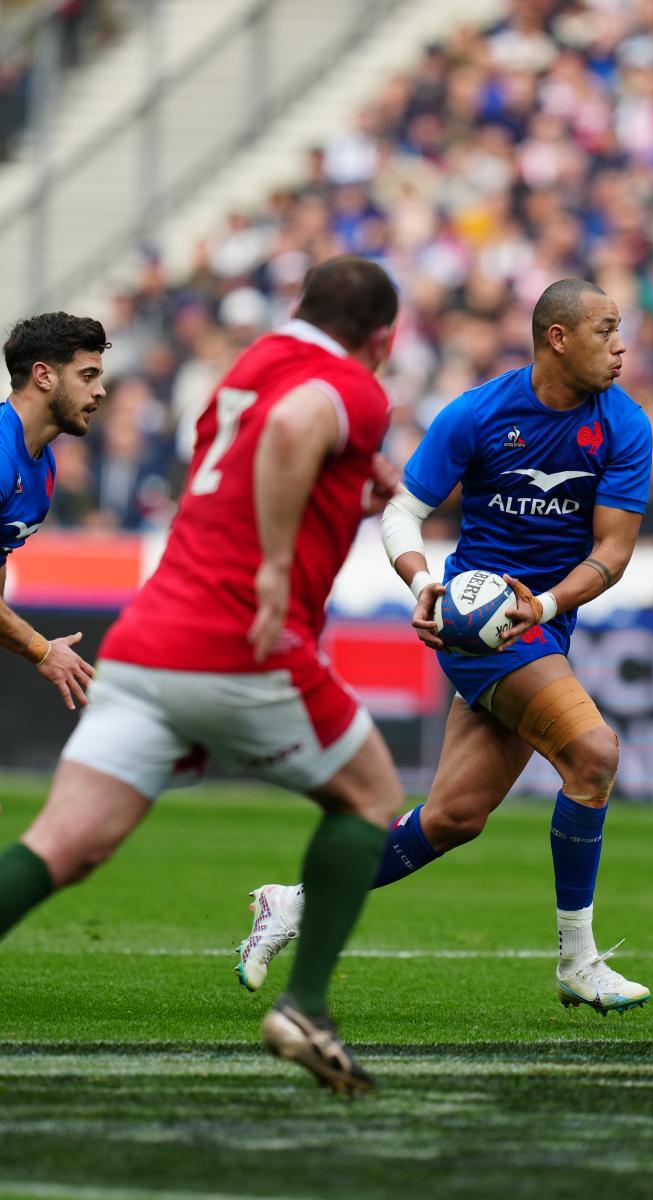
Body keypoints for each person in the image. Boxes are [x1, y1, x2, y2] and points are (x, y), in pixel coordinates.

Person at [0, 256, 403, 1097]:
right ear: (382, 337)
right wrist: (275, 566)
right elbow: (294, 435)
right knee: (369, 797)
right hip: (238, 638)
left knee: (62, 845)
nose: (102, 390)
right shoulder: (351, 387)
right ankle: (306, 1007)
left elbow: (254, 452)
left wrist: (347, 489)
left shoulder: (244, 374)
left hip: (150, 633)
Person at [238, 278, 653, 1015]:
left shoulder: (625, 427)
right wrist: (423, 583)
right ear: (558, 337)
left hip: (537, 624)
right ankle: (579, 960)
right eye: (606, 330)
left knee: (454, 817)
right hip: (474, 624)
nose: (622, 345)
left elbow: (613, 554)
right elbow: (403, 509)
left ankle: (291, 904)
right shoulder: (478, 414)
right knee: (594, 753)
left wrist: (546, 606)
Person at [0, 312, 109, 709]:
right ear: (44, 376)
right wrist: (42, 650)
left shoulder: (42, 467)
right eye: (87, 375)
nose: (100, 391)